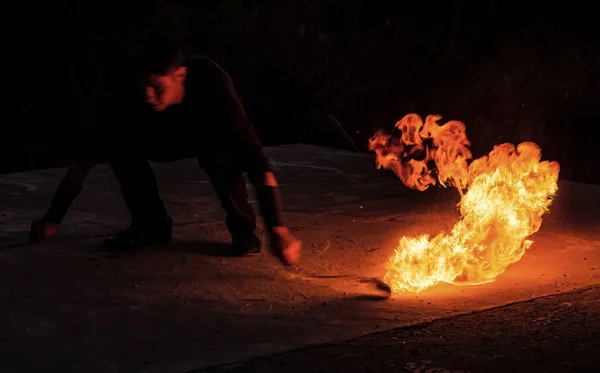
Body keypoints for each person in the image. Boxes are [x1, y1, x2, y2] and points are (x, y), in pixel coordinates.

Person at [29, 33, 301, 266]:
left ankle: (243, 229)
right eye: (144, 86)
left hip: (204, 135)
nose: (148, 95)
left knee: (224, 156)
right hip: (157, 137)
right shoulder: (124, 94)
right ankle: (151, 224)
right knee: (117, 146)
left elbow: (257, 162)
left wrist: (279, 229)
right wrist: (52, 219)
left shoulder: (212, 83)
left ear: (180, 75)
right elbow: (82, 161)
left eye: (157, 87)